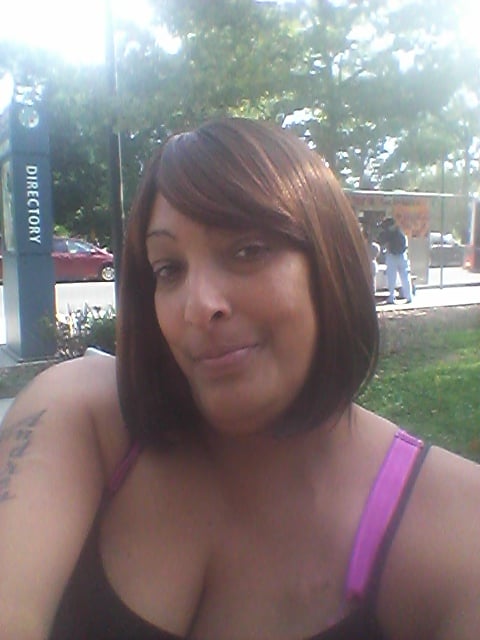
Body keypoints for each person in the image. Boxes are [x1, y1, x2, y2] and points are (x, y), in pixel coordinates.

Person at [1, 117, 479, 640]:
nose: (198, 306)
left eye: (248, 251)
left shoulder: (455, 527)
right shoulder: (83, 414)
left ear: (330, 263)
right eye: (169, 269)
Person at [378, 217, 413, 304]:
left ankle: (391, 297)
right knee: (405, 277)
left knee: (391, 278)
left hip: (391, 256)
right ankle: (409, 297)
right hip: (402, 256)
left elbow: (381, 241)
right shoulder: (400, 232)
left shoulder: (388, 234)